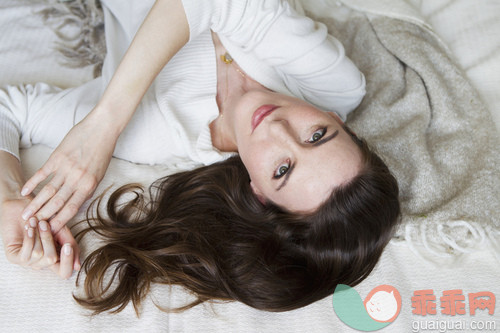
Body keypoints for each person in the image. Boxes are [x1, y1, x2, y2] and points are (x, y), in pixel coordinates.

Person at [0, 0, 400, 313]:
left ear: (258, 193)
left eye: (282, 169)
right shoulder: (336, 86)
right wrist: (102, 125)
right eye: (318, 134)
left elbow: (8, 110)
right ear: (337, 121)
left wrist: (9, 198)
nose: (279, 128)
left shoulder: (156, 131)